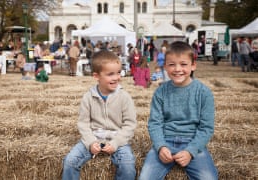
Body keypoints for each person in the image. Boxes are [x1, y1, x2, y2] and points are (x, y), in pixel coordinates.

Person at [139, 41, 218, 180]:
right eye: (171, 64)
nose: (177, 69)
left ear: (193, 65)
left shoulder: (204, 93)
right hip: (166, 140)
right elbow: (155, 123)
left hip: (192, 142)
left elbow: (206, 128)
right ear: (165, 67)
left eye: (183, 64)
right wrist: (161, 147)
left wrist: (190, 151)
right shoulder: (160, 92)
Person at [62, 50, 137, 180]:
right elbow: (83, 124)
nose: (116, 77)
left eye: (118, 72)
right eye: (110, 74)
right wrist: (91, 143)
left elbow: (130, 124)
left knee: (128, 166)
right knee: (70, 161)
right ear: (96, 76)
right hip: (94, 137)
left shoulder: (124, 97)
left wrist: (116, 143)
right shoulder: (88, 97)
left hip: (117, 139)